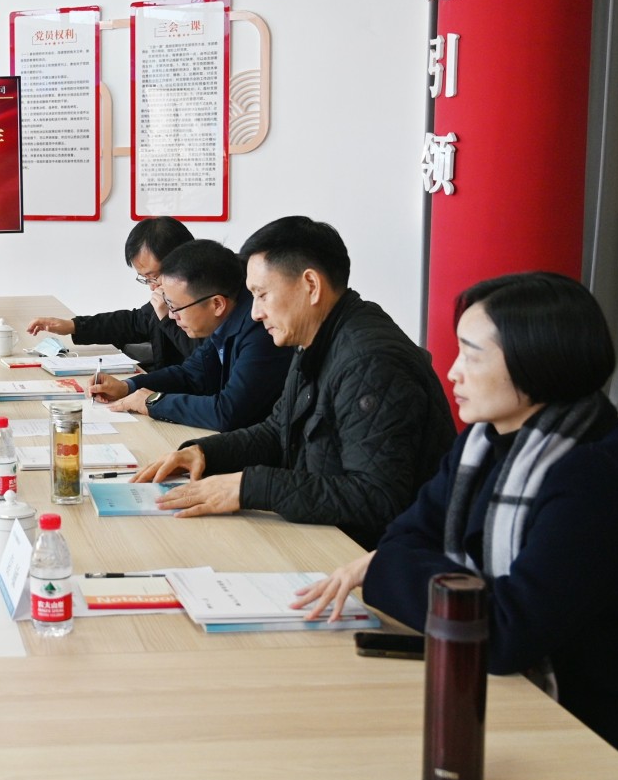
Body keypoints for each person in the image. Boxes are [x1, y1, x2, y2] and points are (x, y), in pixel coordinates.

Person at [294, 272, 618, 780]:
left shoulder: (586, 474)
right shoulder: (482, 443)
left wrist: (387, 568)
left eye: (472, 355)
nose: (453, 372)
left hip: (599, 727)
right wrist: (401, 563)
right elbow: (405, 536)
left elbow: (505, 633)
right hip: (516, 691)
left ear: (537, 361)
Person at [134, 216, 453, 548]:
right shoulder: (317, 335)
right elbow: (277, 430)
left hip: (371, 555)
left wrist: (248, 487)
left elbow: (375, 497)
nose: (255, 313)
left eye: (262, 295)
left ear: (310, 285)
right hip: (326, 536)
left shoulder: (370, 362)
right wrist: (205, 452)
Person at [88, 239, 291, 431]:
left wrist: (152, 401)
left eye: (174, 307)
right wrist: (128, 386)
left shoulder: (260, 330)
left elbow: (228, 412)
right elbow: (191, 374)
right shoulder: (224, 319)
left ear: (217, 304)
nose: (171, 315)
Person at [25, 217, 199, 369]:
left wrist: (166, 320)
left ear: (181, 262)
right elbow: (132, 322)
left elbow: (201, 363)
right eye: (146, 279)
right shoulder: (164, 302)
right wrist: (74, 326)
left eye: (154, 277)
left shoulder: (205, 304)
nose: (152, 288)